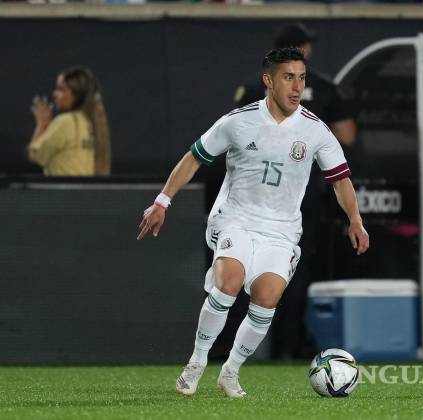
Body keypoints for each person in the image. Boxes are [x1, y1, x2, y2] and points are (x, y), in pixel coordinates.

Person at [137, 47, 369, 397]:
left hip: (281, 230)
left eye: (302, 78)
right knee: (229, 282)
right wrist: (161, 201)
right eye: (288, 77)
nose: (297, 87)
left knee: (267, 297)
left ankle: (230, 372)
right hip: (236, 219)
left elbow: (340, 180)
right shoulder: (238, 121)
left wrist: (355, 219)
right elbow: (193, 157)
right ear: (268, 81)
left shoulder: (315, 130)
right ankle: (196, 363)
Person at [233, 22, 358, 359]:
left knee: (244, 264)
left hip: (255, 194)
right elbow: (347, 135)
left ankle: (243, 347)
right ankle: (288, 343)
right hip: (300, 196)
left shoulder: (256, 88)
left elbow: (235, 137)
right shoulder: (323, 89)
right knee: (294, 265)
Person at [28, 66, 111, 176]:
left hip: (64, 187)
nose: (54, 94)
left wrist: (41, 125)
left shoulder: (66, 122)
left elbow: (36, 155)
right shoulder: (92, 123)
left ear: (76, 94)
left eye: (61, 89)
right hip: (86, 187)